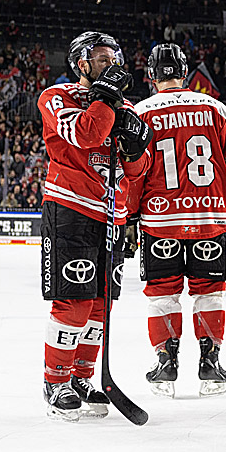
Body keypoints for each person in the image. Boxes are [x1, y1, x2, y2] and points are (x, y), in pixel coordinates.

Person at [38, 31, 152, 420]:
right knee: (74, 302)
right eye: (103, 59)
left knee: (101, 304)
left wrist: (136, 149)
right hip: (70, 208)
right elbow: (86, 133)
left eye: (116, 57)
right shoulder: (57, 97)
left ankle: (84, 377)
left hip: (112, 214)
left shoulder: (126, 107)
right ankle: (56, 380)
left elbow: (137, 173)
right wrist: (105, 98)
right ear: (82, 64)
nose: (113, 65)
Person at [127, 43, 226, 398]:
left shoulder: (142, 112)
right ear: (184, 71)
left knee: (163, 295)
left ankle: (165, 362)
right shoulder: (216, 108)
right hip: (209, 216)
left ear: (150, 75)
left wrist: (129, 214)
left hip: (160, 220)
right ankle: (210, 364)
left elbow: (135, 173)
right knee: (209, 292)